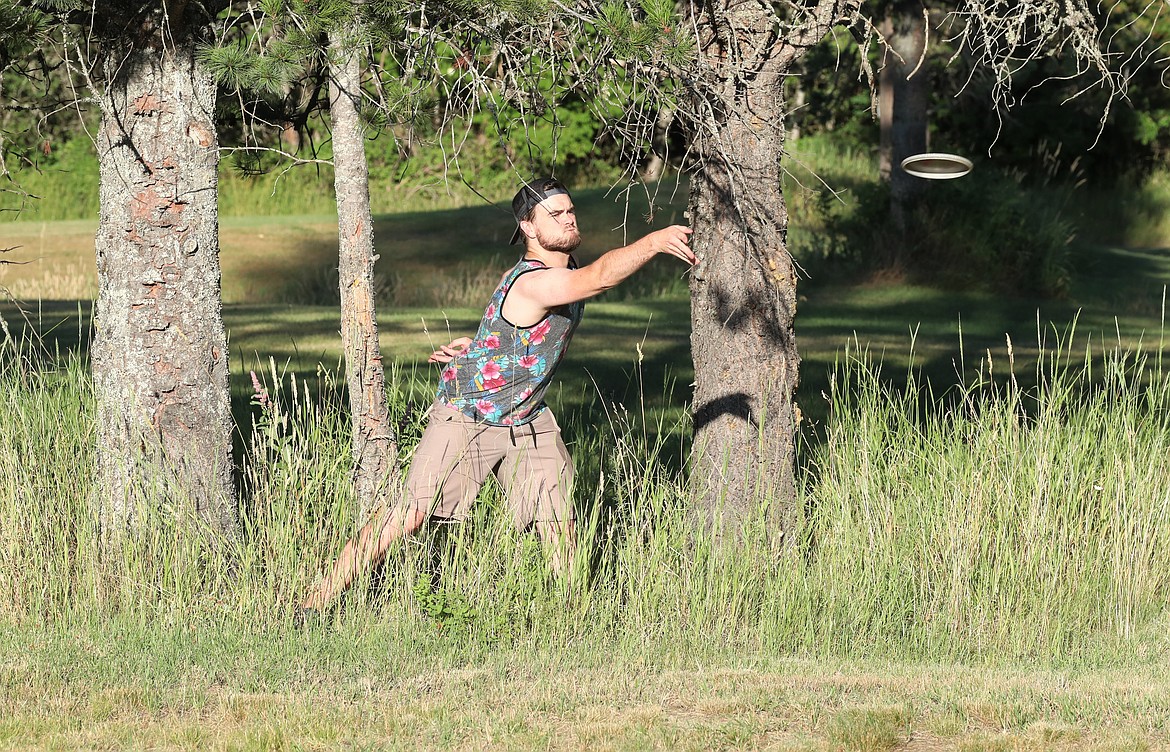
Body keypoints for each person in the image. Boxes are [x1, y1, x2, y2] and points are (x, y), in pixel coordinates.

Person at [300, 177, 694, 611]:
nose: (568, 219)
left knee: (559, 519)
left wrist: (476, 348)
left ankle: (577, 616)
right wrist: (655, 241)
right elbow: (598, 279)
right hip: (470, 414)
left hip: (526, 418)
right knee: (409, 514)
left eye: (570, 210)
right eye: (555, 214)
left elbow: (509, 329)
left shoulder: (555, 272)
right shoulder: (532, 280)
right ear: (528, 226)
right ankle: (315, 600)